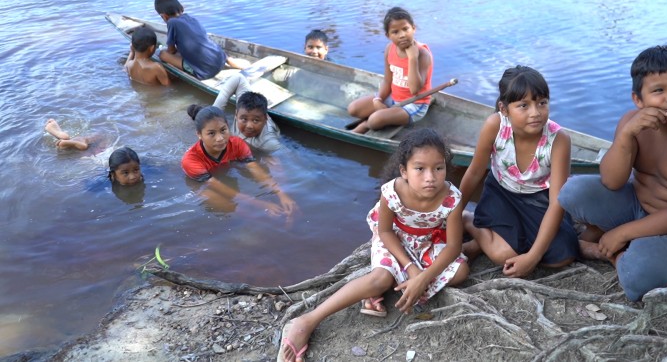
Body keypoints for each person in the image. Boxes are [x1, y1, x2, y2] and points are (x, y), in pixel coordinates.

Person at [278, 129, 469, 362]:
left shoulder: (452, 199)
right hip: (394, 240)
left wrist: (422, 278)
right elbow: (385, 231)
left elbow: (452, 247)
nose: (430, 177)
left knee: (461, 272)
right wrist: (411, 269)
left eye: (438, 168)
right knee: (380, 278)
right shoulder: (393, 192)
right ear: (404, 171)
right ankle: (307, 321)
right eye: (420, 168)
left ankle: (375, 293)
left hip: (426, 243)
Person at [558, 45, 667, 301]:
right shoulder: (632, 123)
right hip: (636, 205)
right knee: (573, 191)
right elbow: (612, 181)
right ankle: (620, 242)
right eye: (659, 90)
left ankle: (613, 252)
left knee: (639, 282)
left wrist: (622, 233)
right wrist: (627, 135)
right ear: (638, 99)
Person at [458, 66, 579, 278]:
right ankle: (469, 220)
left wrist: (532, 257)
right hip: (502, 193)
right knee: (504, 254)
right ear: (504, 109)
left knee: (562, 256)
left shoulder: (559, 140)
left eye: (542, 103)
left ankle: (479, 244)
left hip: (540, 199)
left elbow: (556, 202)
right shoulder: (495, 125)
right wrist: (454, 213)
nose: (535, 113)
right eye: (523, 105)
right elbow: (475, 172)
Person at [182, 106, 295, 214]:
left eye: (223, 130)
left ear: (228, 127)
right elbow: (214, 184)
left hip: (224, 168)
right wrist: (260, 204)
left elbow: (253, 167)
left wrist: (281, 194)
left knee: (273, 161)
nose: (220, 138)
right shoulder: (191, 159)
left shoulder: (237, 144)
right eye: (211, 133)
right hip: (202, 180)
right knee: (206, 194)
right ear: (199, 135)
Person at [346, 7, 433, 134]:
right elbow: (388, 80)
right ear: (388, 35)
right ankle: (383, 114)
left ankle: (366, 124)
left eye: (405, 29)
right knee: (353, 109)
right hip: (394, 98)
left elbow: (415, 90)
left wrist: (412, 58)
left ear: (413, 28)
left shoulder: (423, 54)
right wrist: (378, 99)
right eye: (395, 32)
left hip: (415, 104)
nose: (402, 35)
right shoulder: (389, 49)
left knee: (375, 121)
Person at [154, 0, 248, 80]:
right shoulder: (191, 18)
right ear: (181, 8)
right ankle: (231, 62)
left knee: (162, 54)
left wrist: (167, 51)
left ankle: (197, 67)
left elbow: (171, 50)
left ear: (164, 16)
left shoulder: (172, 22)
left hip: (206, 71)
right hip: (220, 57)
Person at [187, 75, 281, 153]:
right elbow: (238, 78)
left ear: (266, 119)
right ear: (236, 114)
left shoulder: (269, 143)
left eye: (255, 120)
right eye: (244, 119)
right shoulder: (244, 106)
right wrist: (213, 114)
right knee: (193, 111)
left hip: (245, 144)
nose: (249, 126)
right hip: (230, 133)